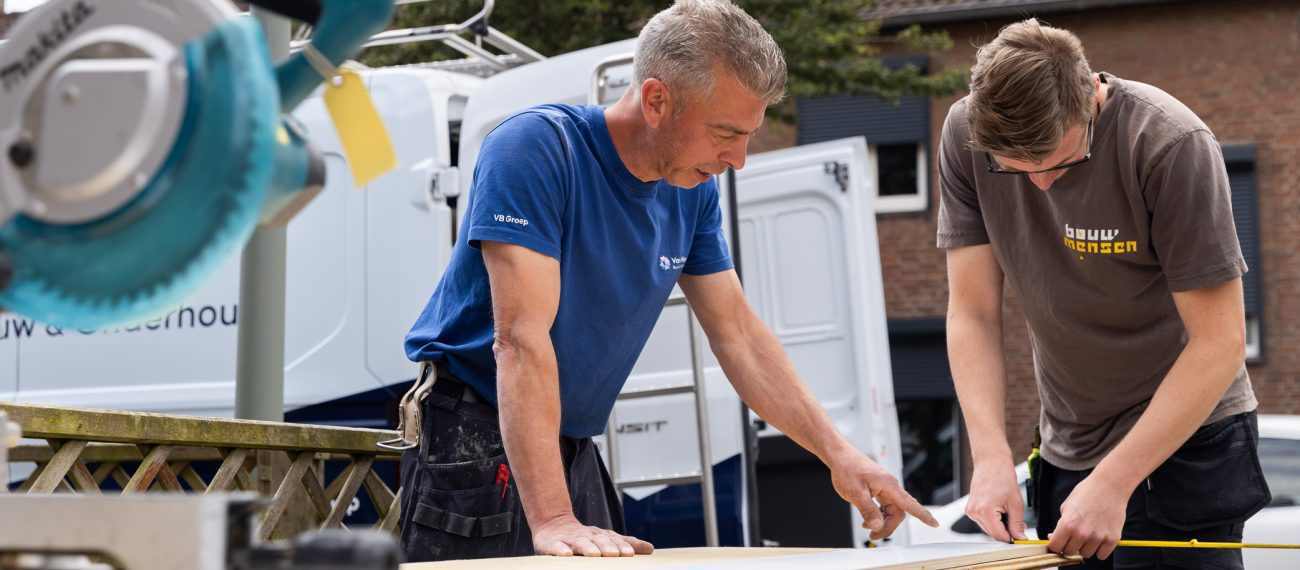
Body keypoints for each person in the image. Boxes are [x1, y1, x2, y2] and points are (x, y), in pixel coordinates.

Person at [396, 0, 936, 562]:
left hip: (569, 446)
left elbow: (738, 335)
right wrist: (554, 517)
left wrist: (840, 455)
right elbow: (521, 339)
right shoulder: (534, 149)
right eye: (726, 133)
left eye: (748, 135)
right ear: (657, 100)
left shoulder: (691, 191)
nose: (740, 159)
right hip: (474, 434)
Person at [937, 18, 1269, 570]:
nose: (1041, 185)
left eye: (1060, 161)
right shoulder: (964, 134)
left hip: (1185, 443)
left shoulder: (1169, 144)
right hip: (1067, 442)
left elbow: (1220, 341)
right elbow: (971, 313)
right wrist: (991, 457)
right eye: (1016, 168)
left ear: (1089, 95)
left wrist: (1115, 481)